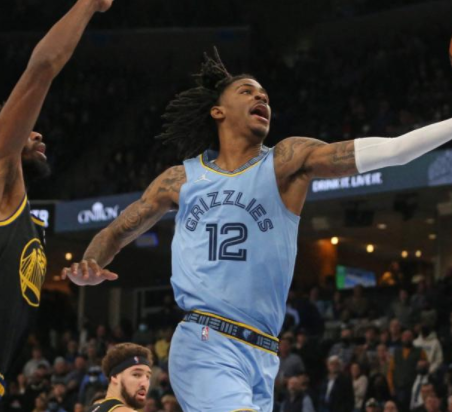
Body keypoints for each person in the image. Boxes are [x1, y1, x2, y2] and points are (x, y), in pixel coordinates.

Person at [63, 49, 452, 412]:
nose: (261, 97)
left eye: (264, 94)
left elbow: (396, 150)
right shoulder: (179, 180)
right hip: (204, 343)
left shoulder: (286, 161)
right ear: (218, 111)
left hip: (263, 355)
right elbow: (116, 231)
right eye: (247, 91)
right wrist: (90, 263)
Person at [0, 0, 113, 399]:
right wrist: (89, 4)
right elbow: (42, 69)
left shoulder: (21, 213)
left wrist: (76, 274)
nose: (36, 132)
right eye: (25, 126)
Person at [85, 342, 152, 412]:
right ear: (115, 377)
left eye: (148, 377)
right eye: (136, 375)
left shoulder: (93, 408)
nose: (144, 383)